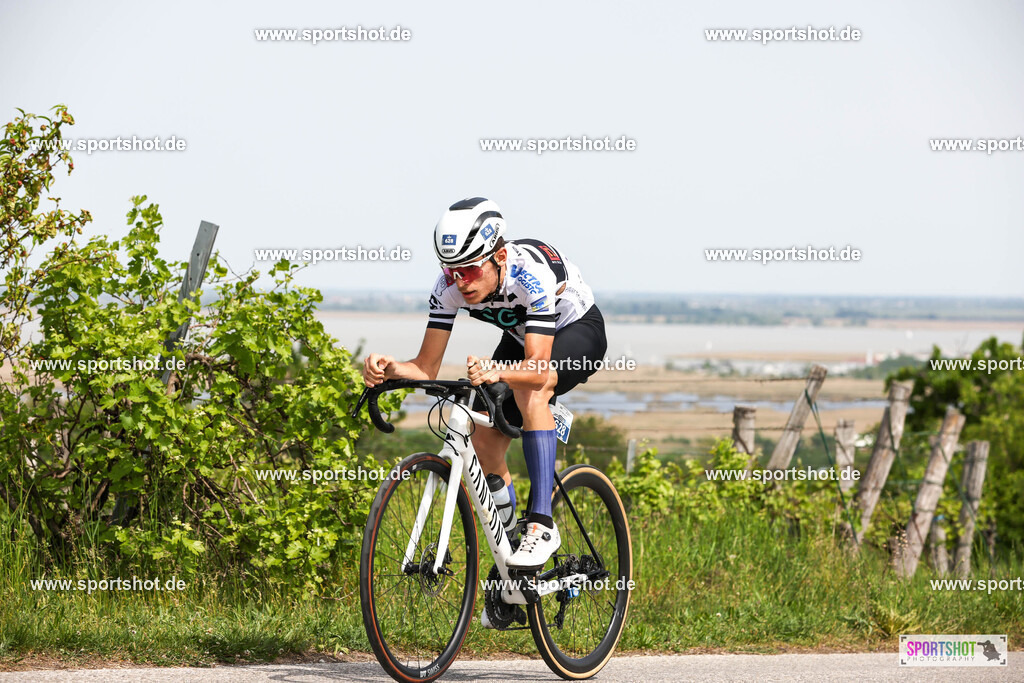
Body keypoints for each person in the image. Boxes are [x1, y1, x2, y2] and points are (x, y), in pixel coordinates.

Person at [361, 197, 607, 574]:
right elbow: (426, 367)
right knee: (482, 435)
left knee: (531, 390)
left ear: (500, 258)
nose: (461, 282)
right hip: (522, 335)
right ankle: (509, 553)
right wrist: (392, 367)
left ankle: (541, 525)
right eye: (451, 271)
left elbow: (538, 368)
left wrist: (500, 372)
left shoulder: (531, 275)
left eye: (470, 270)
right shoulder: (449, 288)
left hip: (574, 332)